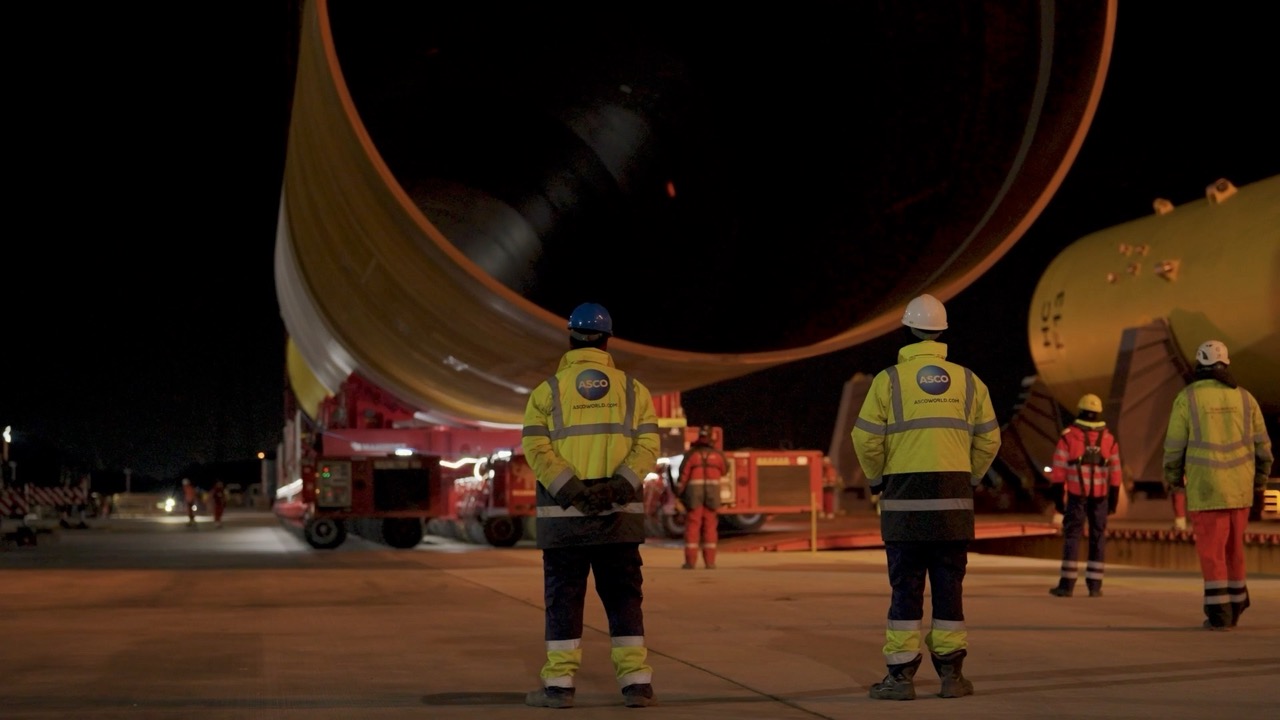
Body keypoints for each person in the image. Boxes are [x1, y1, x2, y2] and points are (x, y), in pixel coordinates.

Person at [850, 293, 1001, 701]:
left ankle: (900, 678)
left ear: (907, 331)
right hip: (953, 506)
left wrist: (877, 479)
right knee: (950, 589)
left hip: (904, 508)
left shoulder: (888, 381)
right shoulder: (970, 381)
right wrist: (969, 477)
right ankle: (952, 676)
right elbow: (990, 439)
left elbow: (864, 438)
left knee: (906, 591)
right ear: (941, 334)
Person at [522, 302, 661, 709]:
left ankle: (559, 687)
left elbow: (536, 447)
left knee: (564, 600)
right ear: (606, 340)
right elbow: (648, 445)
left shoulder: (547, 391)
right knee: (623, 599)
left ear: (571, 337)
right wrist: (618, 488)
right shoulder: (633, 390)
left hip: (564, 521)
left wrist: (572, 491)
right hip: (618, 520)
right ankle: (636, 685)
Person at [1162, 339, 1273, 630]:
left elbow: (1173, 447)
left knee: (1212, 553)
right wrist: (1259, 482)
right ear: (1226, 364)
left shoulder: (1188, 398)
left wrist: (1173, 478)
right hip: (1240, 490)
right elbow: (1264, 449)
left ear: (1199, 364)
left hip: (1207, 489)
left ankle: (1219, 613)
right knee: (1234, 549)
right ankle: (1236, 602)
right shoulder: (1246, 399)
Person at [1047, 393, 1123, 598]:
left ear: (1080, 411)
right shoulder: (1109, 439)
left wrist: (1058, 499)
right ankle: (1095, 586)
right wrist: (1114, 498)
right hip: (1101, 497)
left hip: (1076, 496)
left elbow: (1058, 470)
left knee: (1072, 536)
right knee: (1098, 537)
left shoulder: (1068, 437)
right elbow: (1116, 472)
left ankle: (1067, 585)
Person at [675, 426, 728, 569]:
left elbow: (683, 477)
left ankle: (690, 562)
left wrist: (678, 495)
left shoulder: (691, 455)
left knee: (692, 528)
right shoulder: (718, 455)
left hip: (694, 497)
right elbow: (725, 470)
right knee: (710, 528)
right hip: (712, 497)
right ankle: (710, 562)